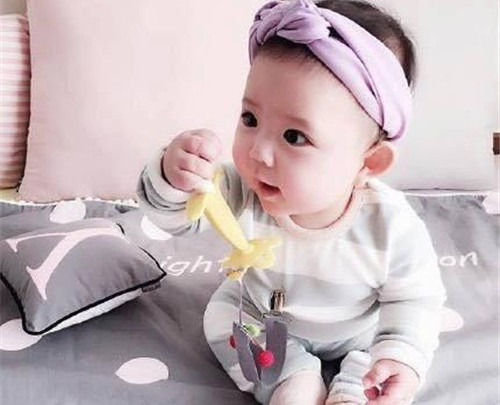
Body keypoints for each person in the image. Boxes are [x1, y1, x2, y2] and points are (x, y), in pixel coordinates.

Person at [136, 1, 446, 404]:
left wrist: (400, 360)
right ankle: (289, 379)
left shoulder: (391, 226)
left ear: (368, 162)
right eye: (250, 119)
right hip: (261, 318)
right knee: (223, 316)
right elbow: (175, 219)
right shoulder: (241, 189)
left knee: (387, 350)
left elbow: (416, 302)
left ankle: (357, 385)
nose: (258, 153)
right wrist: (175, 177)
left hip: (358, 332)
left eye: (294, 137)